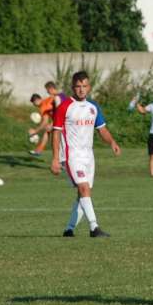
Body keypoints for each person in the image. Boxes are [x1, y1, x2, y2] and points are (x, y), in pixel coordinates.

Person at [51, 71, 121, 237]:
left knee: (83, 193)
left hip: (88, 156)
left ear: (89, 87)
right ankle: (94, 228)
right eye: (78, 86)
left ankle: (69, 229)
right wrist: (55, 158)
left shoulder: (93, 107)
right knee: (83, 188)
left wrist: (112, 142)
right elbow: (56, 133)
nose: (81, 89)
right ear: (72, 87)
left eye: (84, 86)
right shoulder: (64, 106)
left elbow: (102, 129)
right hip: (71, 155)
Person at [28, 92, 55, 156]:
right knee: (47, 129)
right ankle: (39, 150)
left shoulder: (43, 106)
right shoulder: (49, 99)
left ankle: (39, 150)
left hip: (65, 119)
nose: (35, 105)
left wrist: (35, 131)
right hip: (62, 118)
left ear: (36, 100)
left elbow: (44, 122)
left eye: (34, 103)